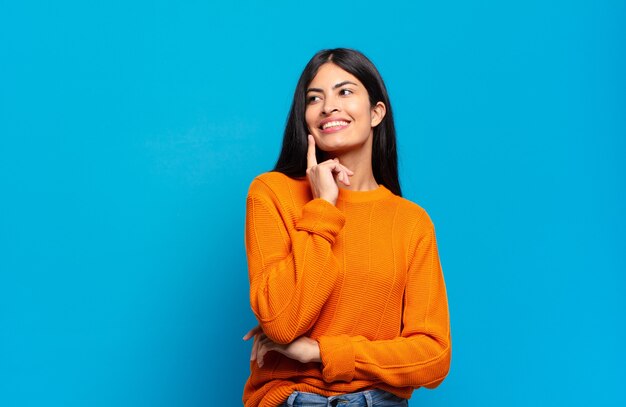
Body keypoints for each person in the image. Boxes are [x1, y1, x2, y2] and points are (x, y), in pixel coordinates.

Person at [242, 48, 451, 407]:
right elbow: (281, 321)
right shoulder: (271, 194)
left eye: (345, 91)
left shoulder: (411, 222)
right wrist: (323, 205)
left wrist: (321, 352)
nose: (328, 107)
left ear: (376, 113)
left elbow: (433, 357)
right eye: (314, 98)